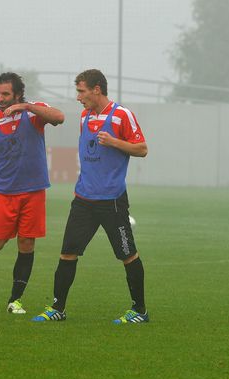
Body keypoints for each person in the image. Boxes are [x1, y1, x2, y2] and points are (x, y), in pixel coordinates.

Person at [32, 69, 149, 324]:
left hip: (113, 200)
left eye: (81, 91)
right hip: (84, 197)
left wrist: (115, 142)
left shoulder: (122, 115)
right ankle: (57, 309)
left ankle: (139, 311)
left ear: (97, 89)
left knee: (128, 255)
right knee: (67, 253)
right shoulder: (85, 116)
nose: (78, 97)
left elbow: (142, 149)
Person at [0, 72, 65, 314]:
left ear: (17, 94)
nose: (0, 98)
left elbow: (59, 117)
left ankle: (15, 300)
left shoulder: (33, 112)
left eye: (6, 94)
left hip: (33, 190)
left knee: (26, 243)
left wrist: (26, 106)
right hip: (4, 191)